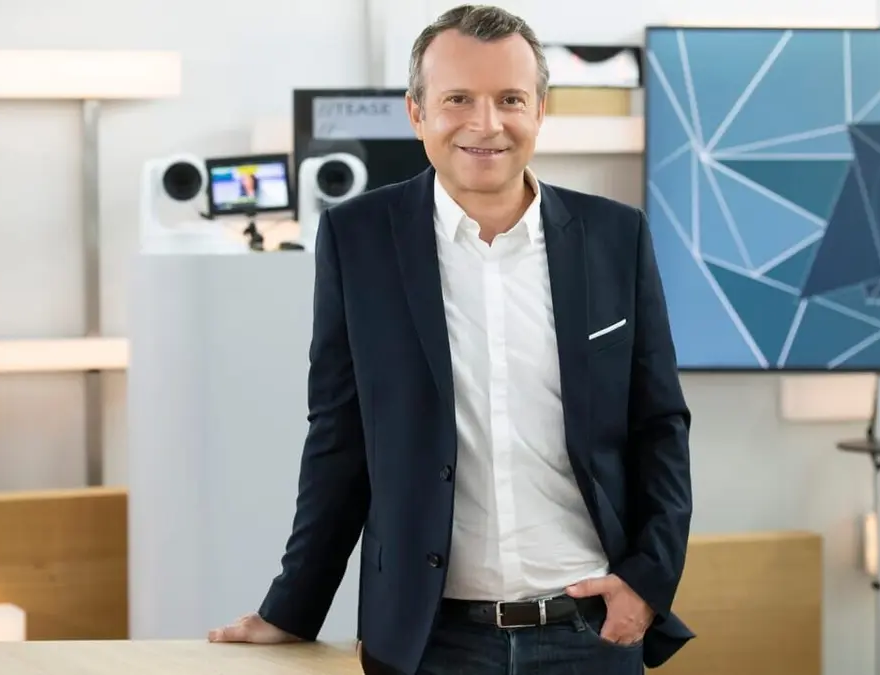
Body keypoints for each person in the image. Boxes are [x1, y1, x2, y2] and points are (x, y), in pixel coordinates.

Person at [207, 5, 694, 674]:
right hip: (428, 640)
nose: (485, 123)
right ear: (417, 112)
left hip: (589, 631)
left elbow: (659, 424)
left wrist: (648, 581)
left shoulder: (615, 236)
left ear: (540, 111)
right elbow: (340, 437)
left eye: (510, 99)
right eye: (458, 98)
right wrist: (292, 608)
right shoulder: (359, 239)